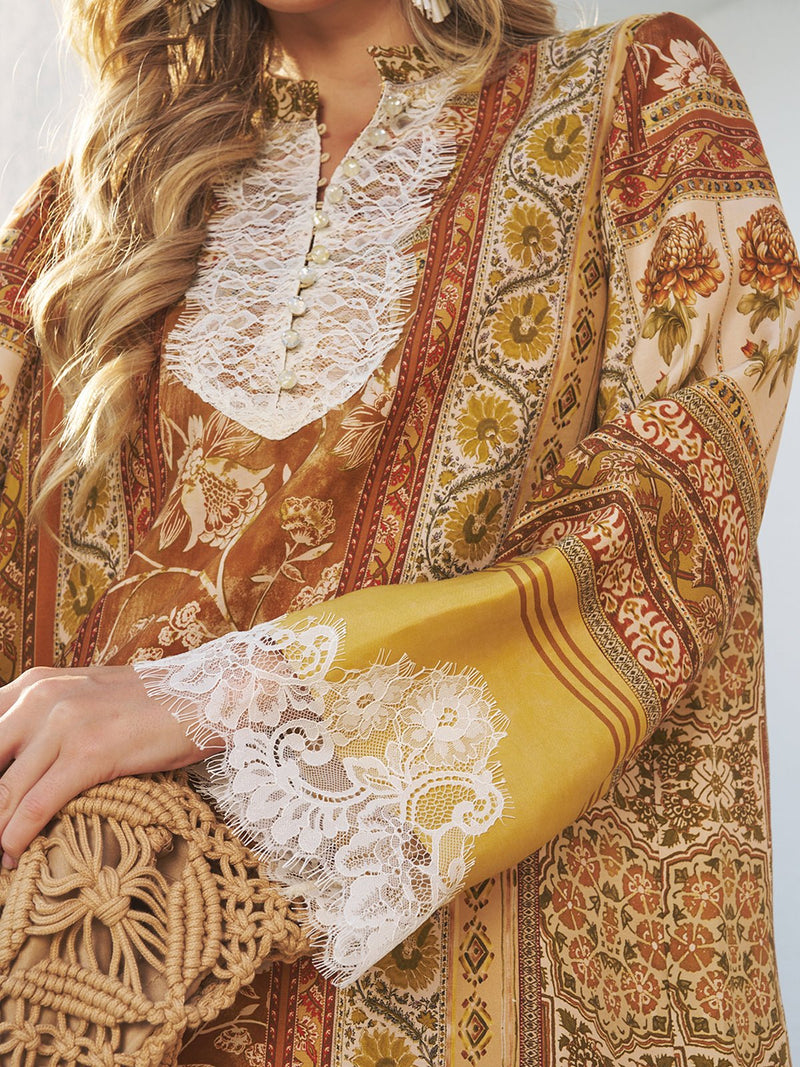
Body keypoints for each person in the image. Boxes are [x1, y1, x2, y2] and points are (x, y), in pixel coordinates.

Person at [0, 0, 796, 1062]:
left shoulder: (639, 105)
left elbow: (670, 522)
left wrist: (209, 696)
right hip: (113, 996)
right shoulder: (70, 232)